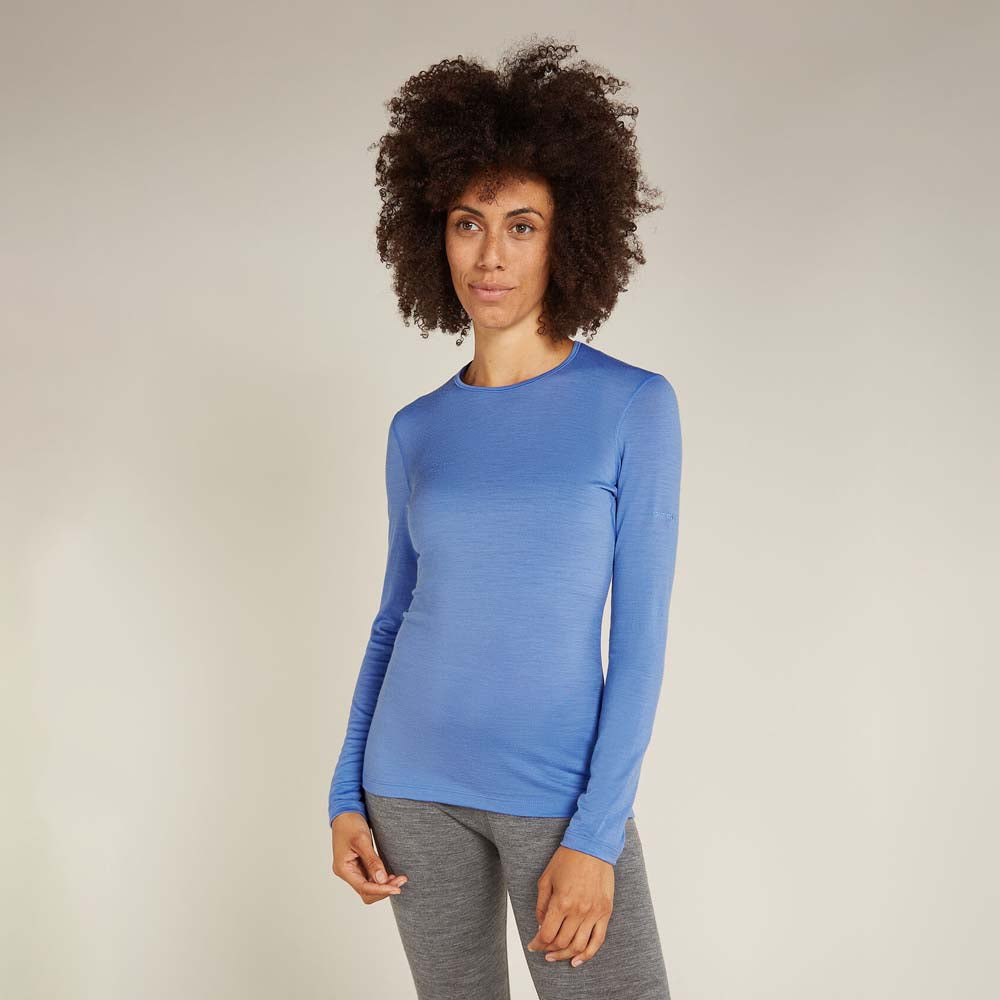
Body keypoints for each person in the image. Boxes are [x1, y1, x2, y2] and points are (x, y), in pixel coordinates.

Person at [328, 38, 682, 1000]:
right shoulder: (417, 429)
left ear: (567, 237)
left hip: (556, 797)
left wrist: (596, 835)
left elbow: (640, 639)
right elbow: (395, 618)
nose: (490, 255)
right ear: (433, 237)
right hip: (409, 786)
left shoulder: (632, 406)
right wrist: (345, 791)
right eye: (467, 223)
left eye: (521, 225)